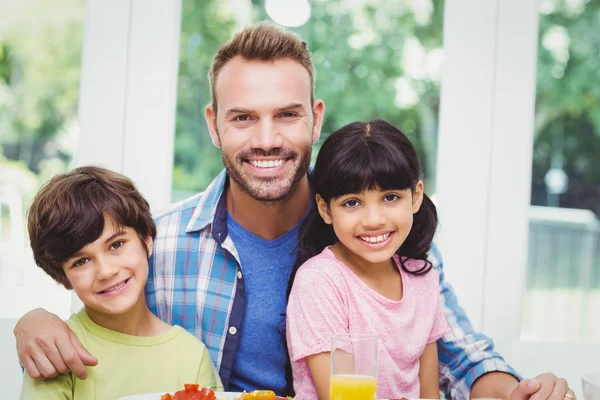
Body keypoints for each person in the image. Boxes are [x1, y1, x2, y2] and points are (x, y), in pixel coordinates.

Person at [14, 22, 575, 400]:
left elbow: (458, 354)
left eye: (286, 115)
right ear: (213, 124)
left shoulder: (377, 235)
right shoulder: (161, 243)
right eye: (243, 118)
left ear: (316, 118)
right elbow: (101, 319)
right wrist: (32, 321)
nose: (266, 140)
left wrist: (515, 391)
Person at [20, 166, 222, 399]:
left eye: (116, 245)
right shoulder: (58, 351)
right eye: (82, 261)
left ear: (146, 239)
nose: (105, 271)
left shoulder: (191, 356)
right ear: (62, 277)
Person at [286, 119, 450, 399]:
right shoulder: (320, 282)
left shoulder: (423, 278)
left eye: (390, 197)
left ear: (416, 197)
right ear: (326, 209)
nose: (374, 220)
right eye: (352, 202)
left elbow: (429, 394)